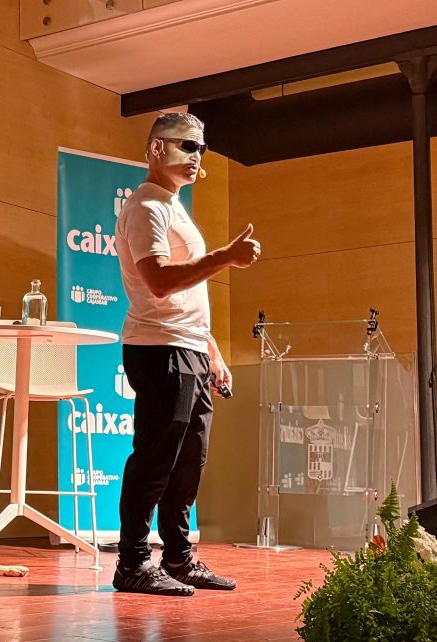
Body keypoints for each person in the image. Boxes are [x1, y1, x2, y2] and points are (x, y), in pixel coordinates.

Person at [113, 112, 260, 597]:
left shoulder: (172, 206)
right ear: (157, 148)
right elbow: (158, 281)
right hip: (159, 348)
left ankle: (177, 558)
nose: (197, 156)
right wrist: (224, 257)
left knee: (189, 460)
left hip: (188, 347)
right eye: (187, 146)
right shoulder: (146, 207)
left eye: (201, 148)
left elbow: (188, 292)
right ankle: (133, 563)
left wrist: (210, 347)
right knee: (155, 459)